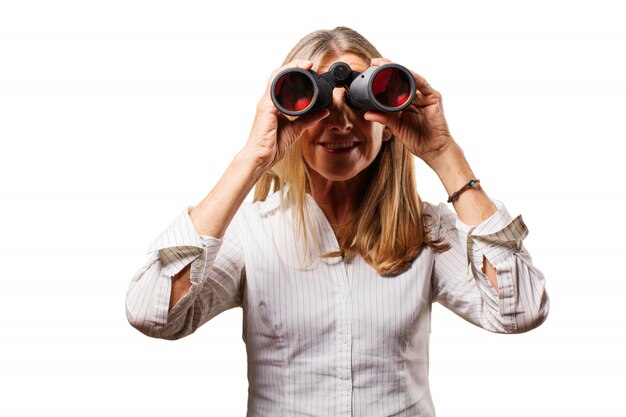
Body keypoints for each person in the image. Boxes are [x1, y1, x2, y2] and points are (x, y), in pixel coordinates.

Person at [125, 26, 549, 416]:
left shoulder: (427, 230)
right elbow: (153, 314)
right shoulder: (249, 231)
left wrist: (444, 153)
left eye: (362, 99)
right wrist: (252, 158)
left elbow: (520, 311)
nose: (342, 120)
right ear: (290, 112)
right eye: (321, 101)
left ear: (389, 122)